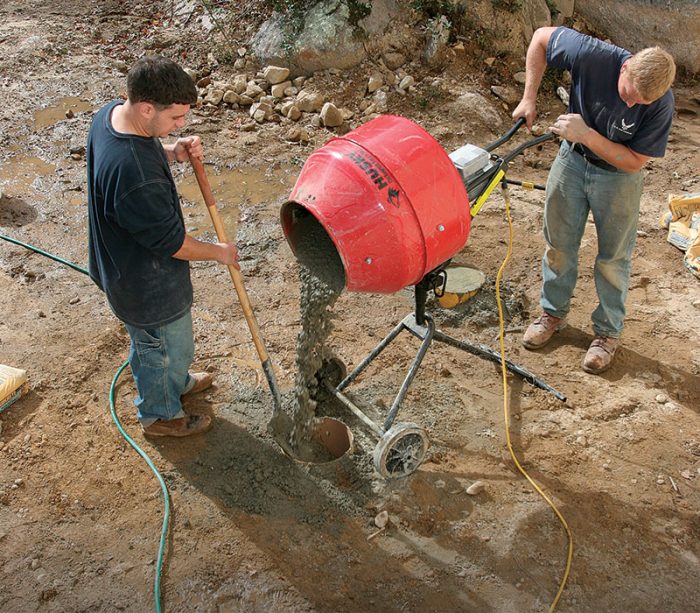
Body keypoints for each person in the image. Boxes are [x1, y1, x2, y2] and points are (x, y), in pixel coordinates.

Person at [86, 56, 239, 436]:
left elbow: (143, 152)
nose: (181, 125)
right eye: (175, 119)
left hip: (124, 264)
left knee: (166, 347)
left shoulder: (112, 117)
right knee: (160, 348)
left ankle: (176, 381)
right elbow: (173, 243)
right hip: (145, 285)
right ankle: (160, 415)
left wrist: (172, 150)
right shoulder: (135, 176)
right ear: (146, 107)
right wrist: (219, 252)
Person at [512, 26, 675, 374]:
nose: (631, 104)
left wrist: (586, 134)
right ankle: (552, 313)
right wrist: (529, 97)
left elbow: (633, 161)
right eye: (629, 94)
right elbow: (541, 37)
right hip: (570, 162)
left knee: (613, 258)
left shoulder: (661, 104)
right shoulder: (591, 54)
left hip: (619, 178)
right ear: (625, 67)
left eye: (639, 104)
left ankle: (606, 334)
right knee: (559, 243)